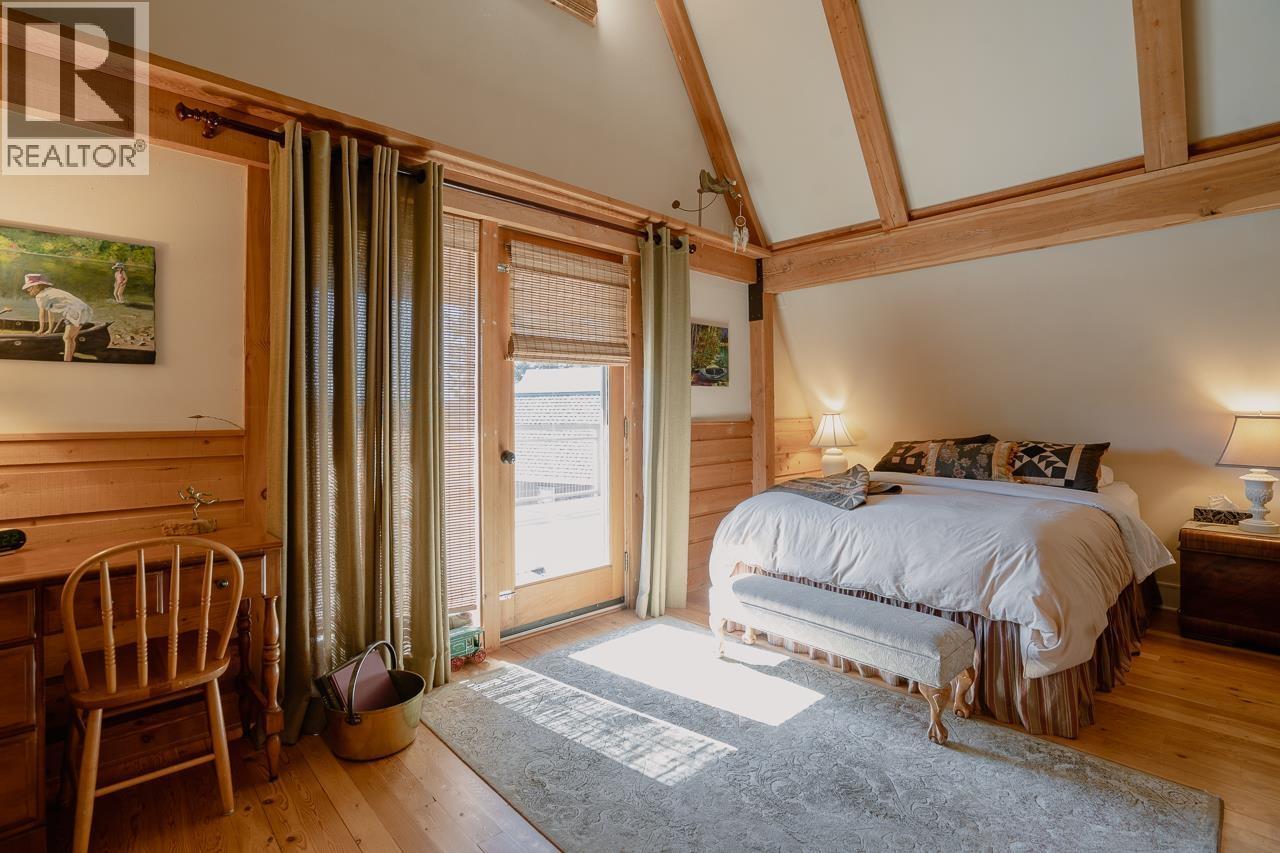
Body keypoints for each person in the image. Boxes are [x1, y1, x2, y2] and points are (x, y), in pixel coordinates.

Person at [22, 273, 93, 362]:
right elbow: (51, 313)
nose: (28, 290)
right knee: (71, 338)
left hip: (74, 311)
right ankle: (69, 359)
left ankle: (67, 361)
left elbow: (42, 314)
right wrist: (50, 329)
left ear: (36, 286)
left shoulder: (40, 296)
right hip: (84, 309)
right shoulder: (50, 291)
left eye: (30, 287)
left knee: (67, 338)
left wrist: (41, 329)